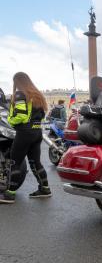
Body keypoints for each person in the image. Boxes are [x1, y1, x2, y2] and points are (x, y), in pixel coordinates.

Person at [0, 72, 51, 204]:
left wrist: (10, 121)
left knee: (14, 162)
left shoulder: (20, 94)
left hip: (24, 133)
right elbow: (43, 114)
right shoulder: (37, 95)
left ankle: (9, 194)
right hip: (37, 131)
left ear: (18, 82)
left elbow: (21, 115)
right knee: (36, 163)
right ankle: (45, 189)